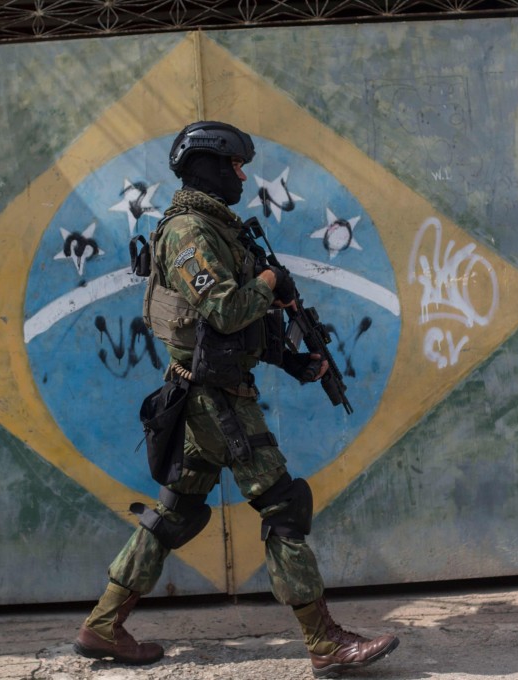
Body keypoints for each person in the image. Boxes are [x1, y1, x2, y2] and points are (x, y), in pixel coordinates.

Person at [74, 121, 399, 677]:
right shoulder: (190, 234)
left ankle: (104, 626)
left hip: (208, 390)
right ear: (208, 168)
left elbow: (233, 331)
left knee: (175, 516)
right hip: (213, 399)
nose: (243, 175)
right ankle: (324, 641)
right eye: (235, 165)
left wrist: (295, 360)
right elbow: (225, 310)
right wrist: (271, 283)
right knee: (282, 504)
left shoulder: (218, 230)